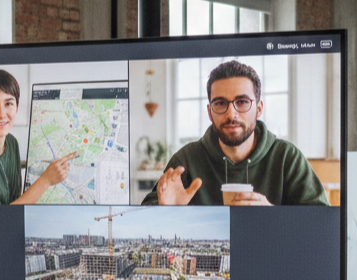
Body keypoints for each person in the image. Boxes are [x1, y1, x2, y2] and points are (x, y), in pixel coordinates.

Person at [141, 60, 329, 207]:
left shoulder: (287, 157)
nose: (231, 114)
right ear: (209, 112)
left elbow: (321, 224)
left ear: (259, 108)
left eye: (242, 102)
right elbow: (143, 225)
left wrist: (273, 215)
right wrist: (166, 211)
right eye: (220, 103)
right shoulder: (186, 160)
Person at [0, 68, 77, 205]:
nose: (1, 113)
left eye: (8, 104)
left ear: (17, 107)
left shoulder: (11, 143)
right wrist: (46, 180)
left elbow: (15, 202)